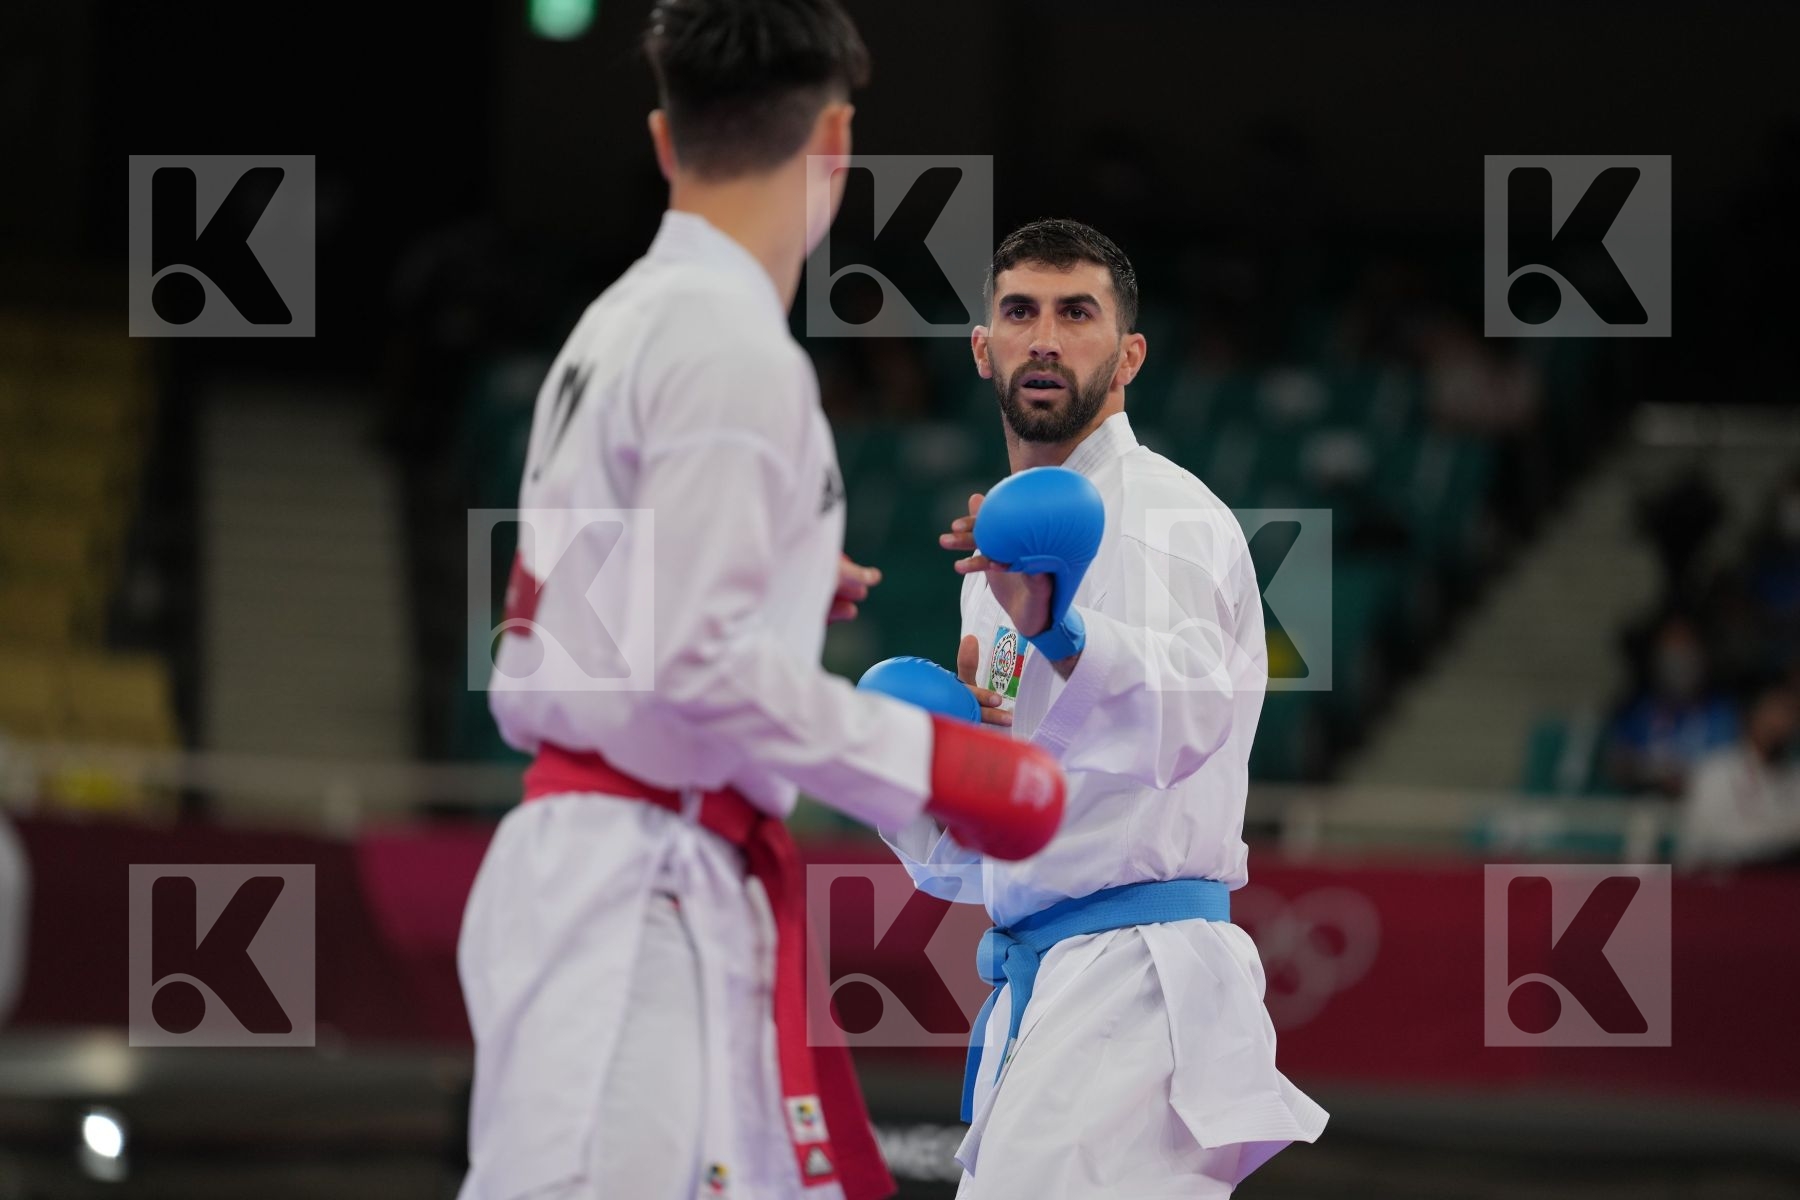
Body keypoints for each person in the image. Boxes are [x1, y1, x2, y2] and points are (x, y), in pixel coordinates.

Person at [455, 6, 1066, 1199]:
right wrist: (936, 767)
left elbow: (591, 613)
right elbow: (696, 664)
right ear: (833, 142)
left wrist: (777, 575)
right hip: (638, 881)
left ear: (662, 136)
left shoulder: (612, 325)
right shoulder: (733, 349)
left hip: (613, 860)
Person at [880, 220, 1327, 1199]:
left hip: (1135, 974)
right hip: (1049, 985)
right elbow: (981, 857)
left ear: (1128, 356)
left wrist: (1065, 633)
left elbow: (1195, 713)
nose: (1045, 337)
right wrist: (911, 780)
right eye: (1020, 312)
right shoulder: (995, 567)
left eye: (1076, 313)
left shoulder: (1166, 513)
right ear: (982, 347)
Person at [1677, 681, 1800, 870]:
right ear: (1751, 717)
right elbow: (1707, 841)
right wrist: (1776, 838)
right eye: (1773, 714)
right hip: (1724, 882)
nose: (1780, 724)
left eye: (1789, 715)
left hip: (1784, 882)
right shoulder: (1715, 772)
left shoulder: (1795, 778)